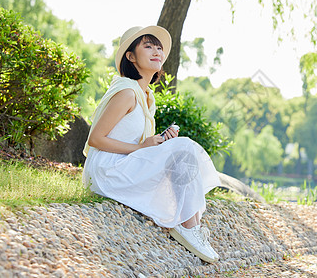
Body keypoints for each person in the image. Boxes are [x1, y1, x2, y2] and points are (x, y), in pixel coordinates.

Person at [82, 26, 221, 263]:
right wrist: (142, 148)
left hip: (125, 164)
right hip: (106, 171)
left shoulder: (146, 96)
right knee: (184, 148)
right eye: (148, 46)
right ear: (131, 56)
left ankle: (192, 226)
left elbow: (141, 144)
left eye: (159, 47)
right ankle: (188, 227)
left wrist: (158, 144)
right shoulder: (127, 92)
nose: (157, 52)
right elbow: (95, 139)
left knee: (180, 150)